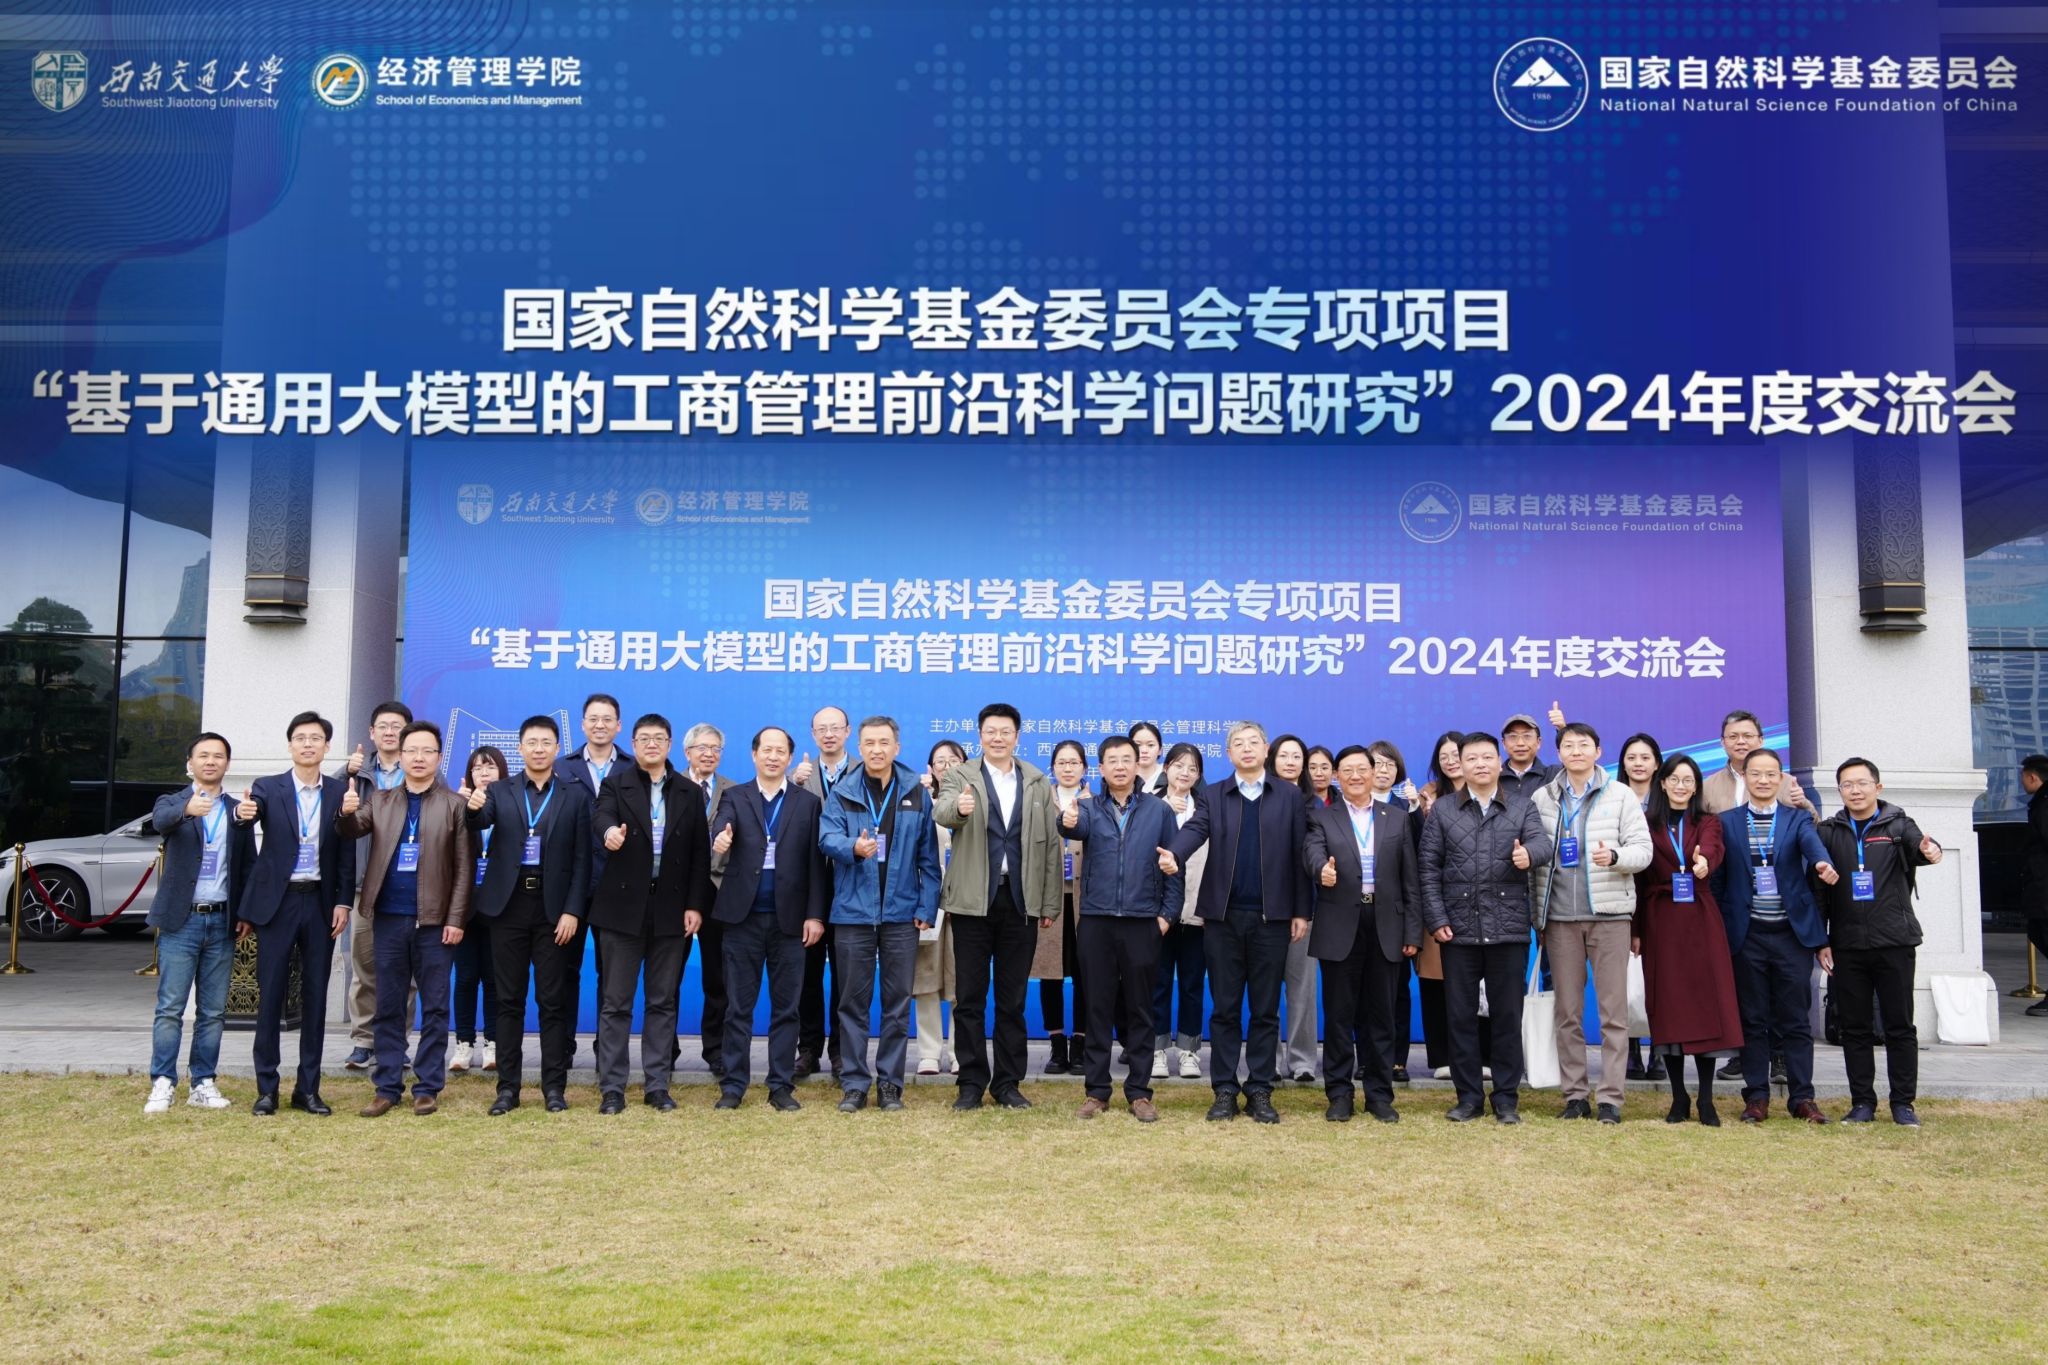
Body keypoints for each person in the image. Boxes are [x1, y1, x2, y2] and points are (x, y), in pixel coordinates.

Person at [1161, 720, 1310, 1125]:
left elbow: (1300, 853)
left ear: (1265, 750)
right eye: (1238, 744)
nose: (1246, 749)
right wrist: (1174, 853)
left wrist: (1301, 910)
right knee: (1225, 1009)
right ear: (1228, 754)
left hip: (1272, 918)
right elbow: (1195, 830)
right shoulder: (1213, 795)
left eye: (1253, 742)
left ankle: (1260, 1089)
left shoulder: (1289, 796)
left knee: (1265, 1010)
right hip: (1222, 918)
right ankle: (1224, 1090)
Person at [337, 720, 472, 1117]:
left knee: (435, 1007)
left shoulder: (454, 805)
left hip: (435, 922)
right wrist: (344, 813)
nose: (418, 757)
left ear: (438, 757)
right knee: (388, 1004)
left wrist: (456, 919)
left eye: (427, 751)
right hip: (388, 918)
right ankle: (387, 1086)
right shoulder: (380, 800)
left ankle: (427, 1087)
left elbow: (464, 869)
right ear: (400, 755)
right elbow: (350, 830)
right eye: (411, 750)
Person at [1418, 731, 1552, 1124]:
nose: (1480, 764)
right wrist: (1437, 919)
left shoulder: (1523, 806)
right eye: (1472, 758)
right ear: (1461, 764)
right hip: (1457, 930)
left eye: (1487, 757)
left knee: (1507, 1017)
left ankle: (1506, 1099)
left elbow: (1543, 845)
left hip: (1507, 928)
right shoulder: (1444, 809)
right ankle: (1469, 1098)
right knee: (1460, 1017)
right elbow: (1428, 868)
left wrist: (1529, 855)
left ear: (1498, 762)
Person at [934, 703, 1062, 1109]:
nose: (998, 738)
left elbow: (1052, 846)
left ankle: (1008, 1083)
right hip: (972, 902)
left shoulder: (1036, 781)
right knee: (970, 997)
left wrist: (1048, 903)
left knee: (1012, 1000)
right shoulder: (961, 776)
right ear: (980, 735)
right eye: (991, 731)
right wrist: (959, 809)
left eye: (1006, 731)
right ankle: (971, 1083)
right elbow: (941, 810)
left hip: (1020, 901)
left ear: (1017, 736)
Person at [465, 714, 593, 1114]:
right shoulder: (499, 790)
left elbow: (583, 860)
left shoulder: (575, 795)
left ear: (557, 748)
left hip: (555, 911)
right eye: (532, 743)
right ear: (520, 748)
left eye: (546, 743)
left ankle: (554, 1088)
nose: (539, 749)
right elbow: (478, 821)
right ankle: (508, 1089)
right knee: (508, 1000)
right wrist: (472, 808)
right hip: (508, 907)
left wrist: (573, 911)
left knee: (553, 1002)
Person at [1529, 723, 1654, 1124]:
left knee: (1613, 1013)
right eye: (1569, 745)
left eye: (1584, 745)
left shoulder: (1620, 795)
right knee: (1567, 1012)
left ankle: (1611, 1098)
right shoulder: (1542, 798)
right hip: (1560, 919)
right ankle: (1575, 1095)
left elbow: (1643, 851)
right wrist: (1537, 916)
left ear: (1598, 751)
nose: (1576, 751)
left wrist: (1615, 857)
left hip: (1609, 917)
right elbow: (1534, 861)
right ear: (1559, 753)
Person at [590, 713, 714, 1114]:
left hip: (671, 909)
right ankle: (613, 1087)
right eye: (644, 739)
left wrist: (695, 905)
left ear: (670, 744)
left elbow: (699, 854)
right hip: (622, 909)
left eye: (659, 738)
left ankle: (657, 1085)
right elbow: (601, 817)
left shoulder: (688, 792)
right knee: (616, 1002)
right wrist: (609, 833)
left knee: (662, 1001)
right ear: (633, 744)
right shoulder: (616, 783)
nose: (651, 745)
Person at [819, 716, 943, 1113]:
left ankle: (890, 1085)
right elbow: (826, 837)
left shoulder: (915, 792)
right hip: (853, 913)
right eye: (869, 743)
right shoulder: (843, 791)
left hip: (901, 914)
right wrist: (852, 848)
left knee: (896, 1004)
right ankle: (855, 1084)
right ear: (860, 747)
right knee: (852, 1004)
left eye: (884, 742)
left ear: (897, 747)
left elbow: (929, 858)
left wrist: (926, 907)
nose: (877, 749)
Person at [1710, 747, 1839, 1125]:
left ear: (1781, 778)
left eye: (1771, 774)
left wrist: (1822, 863)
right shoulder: (1727, 822)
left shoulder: (1797, 819)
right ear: (1745, 777)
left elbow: (1812, 846)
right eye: (1756, 774)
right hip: (1746, 935)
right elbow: (1718, 882)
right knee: (1752, 1019)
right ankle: (1756, 1096)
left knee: (1795, 1019)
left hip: (1791, 936)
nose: (1763, 780)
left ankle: (1802, 1097)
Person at [235, 711, 355, 1116]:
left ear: (326, 746)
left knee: (316, 997)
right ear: (290, 745)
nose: (308, 744)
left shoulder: (339, 792)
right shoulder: (268, 788)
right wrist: (243, 814)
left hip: (320, 903)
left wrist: (343, 902)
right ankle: (266, 1088)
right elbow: (249, 815)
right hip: (278, 904)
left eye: (316, 738)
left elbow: (346, 852)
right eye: (301, 738)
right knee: (270, 995)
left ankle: (308, 1088)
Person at [1059, 734, 1182, 1122]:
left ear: (1138, 763)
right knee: (1096, 1007)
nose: (1120, 766)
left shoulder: (1159, 811)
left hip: (1143, 922)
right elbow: (1071, 827)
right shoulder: (1087, 808)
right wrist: (1065, 819)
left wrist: (1167, 915)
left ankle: (1139, 1092)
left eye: (1127, 759)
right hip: (1096, 921)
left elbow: (1172, 864)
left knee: (1140, 1009)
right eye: (1112, 760)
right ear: (1101, 767)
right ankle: (1096, 1091)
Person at [1814, 758, 1943, 1126]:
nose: (1855, 791)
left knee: (1899, 1025)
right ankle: (1862, 1103)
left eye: (1862, 783)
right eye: (1847, 785)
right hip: (1847, 944)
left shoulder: (1898, 825)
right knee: (1854, 1028)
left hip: (1894, 941)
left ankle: (1903, 1103)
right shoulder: (1828, 832)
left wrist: (1931, 851)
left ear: (1878, 787)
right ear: (1839, 790)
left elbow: (1922, 847)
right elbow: (1818, 891)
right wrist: (1822, 940)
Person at [710, 726, 827, 1111]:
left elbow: (816, 865)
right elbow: (722, 823)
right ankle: (733, 1086)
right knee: (738, 1008)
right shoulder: (735, 796)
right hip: (742, 919)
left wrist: (815, 915)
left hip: (790, 921)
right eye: (767, 750)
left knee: (786, 1008)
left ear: (789, 758)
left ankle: (780, 1086)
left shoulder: (807, 803)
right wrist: (721, 837)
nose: (773, 757)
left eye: (780, 751)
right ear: (754, 754)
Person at [1305, 744, 1421, 1124]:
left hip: (1387, 923)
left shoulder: (1396, 818)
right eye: (1347, 770)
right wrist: (1321, 869)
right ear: (1337, 777)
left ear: (1374, 773)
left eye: (1362, 769)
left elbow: (1410, 879)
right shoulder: (1323, 817)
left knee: (1381, 1015)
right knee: (1339, 1015)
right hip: (1340, 923)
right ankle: (1339, 1094)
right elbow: (1312, 852)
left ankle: (1379, 1095)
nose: (1355, 776)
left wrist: (1412, 931)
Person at [144, 732, 257, 1114]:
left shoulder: (237, 810)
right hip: (181, 922)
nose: (211, 761)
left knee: (213, 1011)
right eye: (203, 755)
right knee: (171, 1007)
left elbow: (248, 866)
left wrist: (245, 913)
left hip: (222, 921)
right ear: (190, 763)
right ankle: (162, 1082)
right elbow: (159, 822)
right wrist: (187, 810)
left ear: (228, 763)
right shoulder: (172, 803)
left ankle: (203, 1081)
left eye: (218, 756)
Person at [1633, 754, 1742, 1126]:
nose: (1681, 786)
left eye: (1688, 780)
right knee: (1668, 1006)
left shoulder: (1707, 821)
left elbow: (1713, 848)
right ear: (1662, 783)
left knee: (1705, 1004)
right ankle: (1678, 1096)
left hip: (1700, 917)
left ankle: (1706, 1098)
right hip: (1659, 920)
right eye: (1675, 779)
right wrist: (1635, 930)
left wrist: (1703, 862)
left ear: (1696, 787)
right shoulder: (1645, 824)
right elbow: (1637, 879)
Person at [342, 700, 412, 1071]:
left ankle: (396, 1042)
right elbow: (333, 808)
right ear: (371, 733)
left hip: (408, 886)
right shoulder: (357, 774)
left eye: (396, 726)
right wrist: (345, 772)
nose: (389, 732)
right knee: (365, 967)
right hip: (364, 886)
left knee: (405, 972)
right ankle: (363, 1041)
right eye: (382, 726)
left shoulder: (421, 771)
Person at [559, 692, 626, 1066]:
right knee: (565, 970)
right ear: (583, 724)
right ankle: (563, 1047)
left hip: (616, 887)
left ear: (619, 725)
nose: (600, 725)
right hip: (571, 886)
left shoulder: (632, 768)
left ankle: (607, 1050)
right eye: (593, 719)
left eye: (607, 719)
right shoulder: (562, 767)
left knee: (611, 973)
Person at [1411, 732, 1481, 1080]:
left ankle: (1481, 1056)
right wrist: (1418, 811)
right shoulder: (1427, 796)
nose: (1451, 761)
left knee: (1478, 984)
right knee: (1435, 979)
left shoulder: (1488, 793)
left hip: (1479, 903)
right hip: (1436, 898)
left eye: (1457, 754)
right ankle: (1441, 1056)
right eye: (1445, 756)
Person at [792, 704, 855, 1079]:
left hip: (852, 884)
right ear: (813, 734)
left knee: (847, 976)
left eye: (835, 728)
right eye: (821, 729)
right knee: (807, 974)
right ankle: (808, 1048)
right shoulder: (799, 775)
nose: (829, 734)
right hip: (808, 887)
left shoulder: (864, 771)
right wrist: (794, 786)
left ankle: (842, 1051)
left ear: (847, 731)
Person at [680, 722, 738, 1079]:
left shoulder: (734, 790)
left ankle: (716, 1050)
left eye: (715, 748)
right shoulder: (670, 786)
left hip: (718, 890)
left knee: (718, 977)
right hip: (676, 892)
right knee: (668, 974)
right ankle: (665, 1050)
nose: (708, 754)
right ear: (687, 752)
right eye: (702, 747)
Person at [449, 745, 506, 1076]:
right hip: (465, 908)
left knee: (496, 979)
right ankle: (464, 1043)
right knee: (466, 977)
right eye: (477, 768)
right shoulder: (458, 805)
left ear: (502, 771)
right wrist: (457, 811)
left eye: (490, 767)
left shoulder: (512, 803)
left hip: (500, 908)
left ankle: (493, 1044)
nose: (484, 773)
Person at [1613, 732, 1667, 1082]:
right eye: (1631, 757)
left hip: (1660, 896)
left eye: (1645, 757)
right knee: (1623, 979)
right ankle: (1631, 1050)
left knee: (1661, 977)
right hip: (1622, 892)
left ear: (1657, 764)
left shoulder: (1668, 799)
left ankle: (1660, 1050)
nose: (1638, 763)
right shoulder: (1612, 797)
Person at [1268, 735, 1321, 1085]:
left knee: (1302, 990)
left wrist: (1302, 909)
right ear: (1272, 760)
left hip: (1305, 909)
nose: (1290, 762)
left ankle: (1302, 1061)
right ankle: (1268, 1060)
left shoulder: (1314, 806)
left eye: (1296, 756)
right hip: (1265, 911)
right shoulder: (1259, 799)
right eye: (1284, 755)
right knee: (1267, 991)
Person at [1155, 742, 1208, 1080]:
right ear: (1166, 768)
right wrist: (1163, 811)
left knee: (1191, 984)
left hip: (1197, 912)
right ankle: (1157, 1050)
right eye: (1178, 765)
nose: (1184, 773)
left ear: (1199, 775)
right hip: (1158, 913)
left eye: (1192, 768)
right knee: (1157, 984)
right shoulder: (1149, 804)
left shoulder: (1208, 808)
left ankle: (1189, 1052)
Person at [1368, 739, 1420, 1080]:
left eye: (1390, 764)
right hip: (1358, 911)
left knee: (1397, 989)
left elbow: (1418, 862)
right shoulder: (1351, 807)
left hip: (1396, 914)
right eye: (1377, 764)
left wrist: (1415, 808)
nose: (1383, 770)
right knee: (1362, 990)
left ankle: (1397, 1060)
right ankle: (1365, 1058)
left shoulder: (1407, 808)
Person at [914, 740, 966, 1076]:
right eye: (939, 761)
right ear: (930, 769)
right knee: (926, 978)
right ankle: (929, 1052)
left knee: (964, 980)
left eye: (953, 760)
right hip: (929, 900)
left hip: (965, 900)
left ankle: (961, 1051)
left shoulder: (976, 798)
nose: (946, 766)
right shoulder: (920, 802)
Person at [1039, 739, 1088, 1076]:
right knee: (1050, 973)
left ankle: (1081, 1046)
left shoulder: (1095, 802)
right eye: (1062, 762)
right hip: (1051, 899)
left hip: (1087, 900)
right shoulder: (1041, 800)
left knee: (1087, 975)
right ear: (1053, 767)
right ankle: (1057, 1046)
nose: (1068, 768)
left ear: (1084, 768)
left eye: (1074, 763)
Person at [1700, 709, 1816, 816]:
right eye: (1733, 736)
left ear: (1761, 740)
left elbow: (1812, 825)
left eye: (1747, 736)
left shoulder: (1785, 782)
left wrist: (1804, 805)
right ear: (1723, 742)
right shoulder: (1708, 786)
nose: (1740, 741)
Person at [2020, 754, 2048, 1018]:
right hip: (2040, 884)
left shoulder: (2044, 804)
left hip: (2043, 884)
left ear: (2032, 776)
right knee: (2038, 931)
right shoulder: (2040, 802)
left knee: (2042, 932)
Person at [1497, 713, 1556, 803]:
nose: (1520, 743)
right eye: (1513, 736)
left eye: (1527, 736)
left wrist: (1562, 730)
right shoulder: (1494, 778)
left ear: (1538, 742)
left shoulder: (1553, 776)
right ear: (1504, 743)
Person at [1130, 721, 1168, 795]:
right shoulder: (1123, 775)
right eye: (1138, 745)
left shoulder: (1170, 775)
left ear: (1160, 750)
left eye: (1150, 745)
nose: (1144, 750)